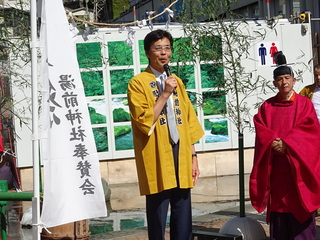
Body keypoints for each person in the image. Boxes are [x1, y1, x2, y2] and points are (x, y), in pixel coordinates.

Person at [127, 29, 204, 240]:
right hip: (157, 151)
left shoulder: (176, 81)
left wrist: (193, 156)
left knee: (183, 208)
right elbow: (142, 120)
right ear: (148, 52)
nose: (164, 53)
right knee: (158, 210)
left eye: (167, 48)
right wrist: (165, 94)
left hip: (181, 150)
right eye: (158, 48)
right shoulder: (138, 83)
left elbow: (188, 120)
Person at [250, 59, 320, 239]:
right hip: (276, 171)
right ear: (274, 83)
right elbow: (261, 126)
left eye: (287, 78)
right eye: (280, 79)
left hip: (298, 169)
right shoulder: (267, 106)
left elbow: (310, 130)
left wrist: (287, 143)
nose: (284, 83)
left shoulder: (304, 104)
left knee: (301, 218)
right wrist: (272, 141)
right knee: (279, 218)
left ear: (294, 80)